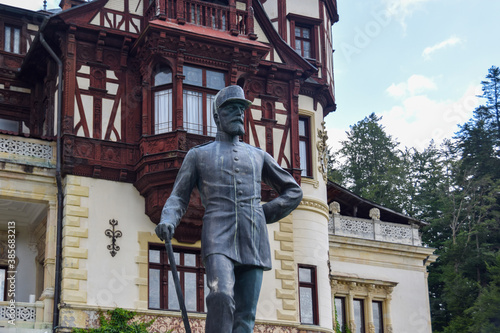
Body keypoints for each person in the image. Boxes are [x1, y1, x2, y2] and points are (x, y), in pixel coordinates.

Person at [155, 85, 303, 333]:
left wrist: (263, 214)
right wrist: (168, 219)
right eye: (231, 108)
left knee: (245, 315)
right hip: (217, 237)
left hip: (254, 240)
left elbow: (293, 191)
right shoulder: (198, 155)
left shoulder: (258, 156)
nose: (238, 113)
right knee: (221, 294)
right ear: (216, 117)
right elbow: (178, 197)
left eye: (241, 108)